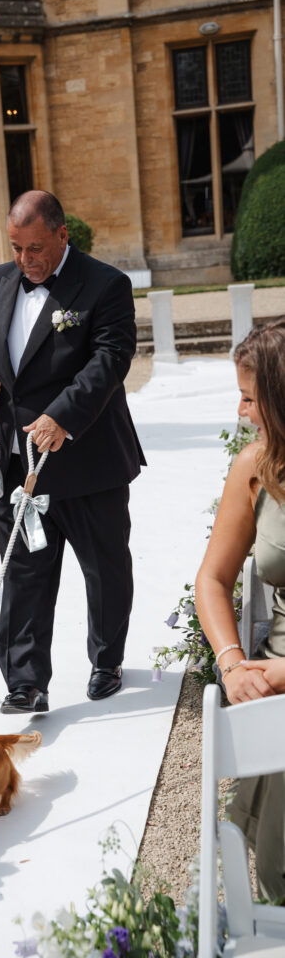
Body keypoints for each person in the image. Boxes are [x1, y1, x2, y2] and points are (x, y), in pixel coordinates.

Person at [0, 190, 145, 713]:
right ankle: (26, 683)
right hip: (16, 463)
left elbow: (111, 359)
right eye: (17, 248)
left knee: (104, 567)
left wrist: (62, 416)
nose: (25, 260)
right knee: (22, 571)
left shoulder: (106, 284)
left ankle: (106, 658)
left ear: (62, 235)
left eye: (35, 248)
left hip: (88, 460)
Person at [196, 319, 285, 901]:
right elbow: (212, 578)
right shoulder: (254, 466)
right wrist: (232, 663)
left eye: (251, 398)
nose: (241, 410)